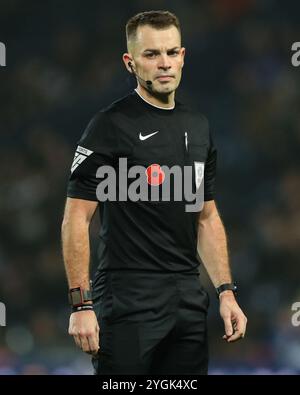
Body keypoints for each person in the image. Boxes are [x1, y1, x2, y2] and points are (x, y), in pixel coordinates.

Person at [61, 10, 247, 375]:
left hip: (188, 302)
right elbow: (76, 216)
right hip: (127, 299)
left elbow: (205, 216)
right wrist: (81, 306)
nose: (164, 63)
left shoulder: (198, 127)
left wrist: (226, 291)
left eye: (171, 52)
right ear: (130, 63)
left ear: (183, 56)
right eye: (151, 54)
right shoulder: (108, 126)